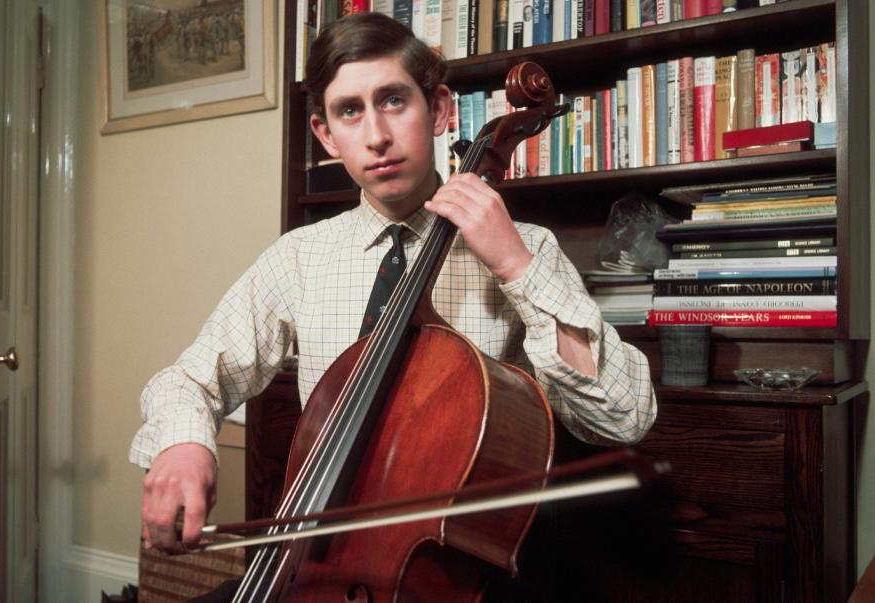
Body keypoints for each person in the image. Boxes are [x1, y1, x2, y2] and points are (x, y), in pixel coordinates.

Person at [130, 12, 657, 561]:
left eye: (394, 100)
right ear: (326, 135)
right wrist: (184, 444)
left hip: (449, 565)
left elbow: (623, 418)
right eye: (350, 112)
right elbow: (188, 378)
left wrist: (515, 266)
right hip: (316, 561)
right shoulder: (299, 258)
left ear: (440, 110)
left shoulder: (527, 248)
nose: (377, 136)